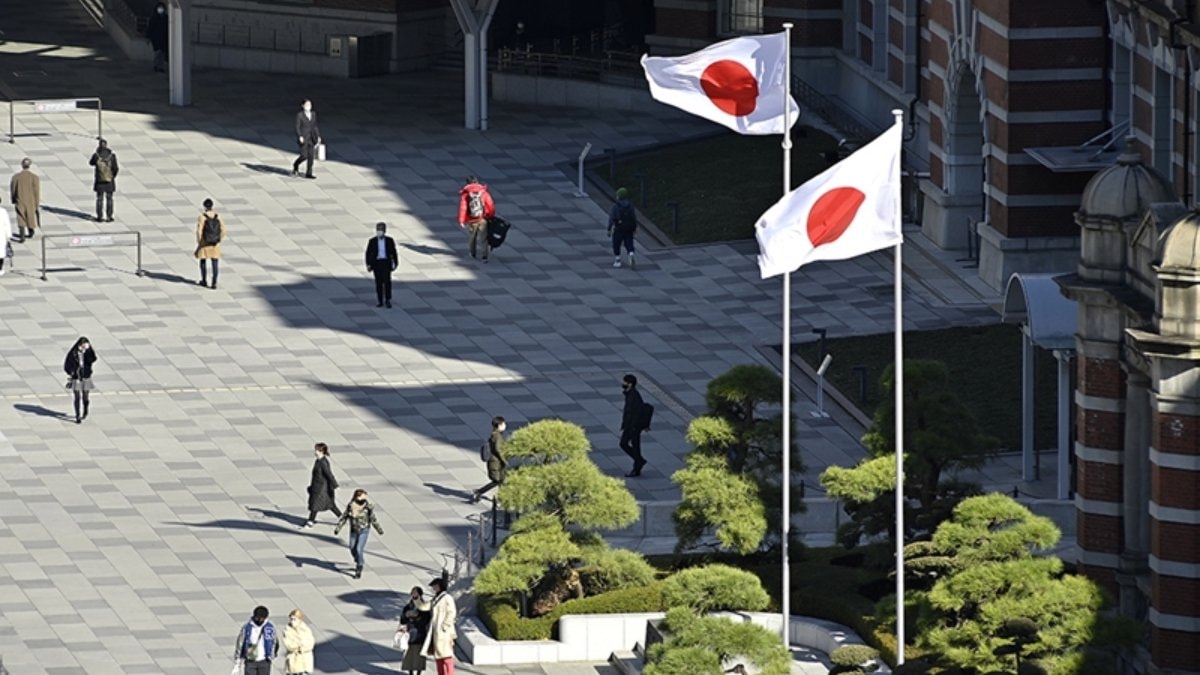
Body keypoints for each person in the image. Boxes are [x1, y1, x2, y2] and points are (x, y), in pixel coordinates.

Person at [334, 488, 383, 579]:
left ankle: (359, 567)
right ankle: (359, 559)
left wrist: (379, 529)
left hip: (364, 530)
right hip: (353, 530)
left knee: (359, 548)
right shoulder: (351, 506)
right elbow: (344, 517)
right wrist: (338, 528)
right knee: (352, 548)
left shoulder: (368, 507)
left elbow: (373, 518)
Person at [421, 577, 457, 675]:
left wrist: (444, 626)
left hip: (444, 633)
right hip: (436, 632)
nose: (433, 588)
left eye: (435, 586)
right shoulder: (435, 599)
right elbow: (424, 607)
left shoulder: (447, 598)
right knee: (439, 657)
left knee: (446, 657)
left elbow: (452, 613)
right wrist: (417, 599)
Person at [457, 176, 495, 262]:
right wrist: (490, 215)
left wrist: (461, 221)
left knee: (472, 237)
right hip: (482, 218)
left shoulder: (466, 194)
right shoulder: (483, 192)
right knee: (483, 238)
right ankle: (484, 256)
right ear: (477, 182)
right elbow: (490, 204)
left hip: (471, 220)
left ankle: (472, 253)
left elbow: (463, 208)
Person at [233, 606, 279, 675]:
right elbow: (240, 643)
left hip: (264, 660)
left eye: (262, 618)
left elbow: (274, 641)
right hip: (250, 659)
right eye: (258, 618)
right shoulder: (247, 627)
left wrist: (271, 655)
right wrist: (238, 659)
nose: (260, 620)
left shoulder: (269, 627)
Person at [471, 416, 507, 504]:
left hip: (496, 462)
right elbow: (497, 449)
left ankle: (502, 497)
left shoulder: (494, 434)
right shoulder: (497, 436)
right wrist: (504, 459)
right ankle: (479, 492)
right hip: (495, 462)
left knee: (501, 480)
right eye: (503, 424)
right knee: (497, 480)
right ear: (499, 425)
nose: (505, 425)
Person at [305, 442, 341, 527]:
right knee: (330, 505)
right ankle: (341, 517)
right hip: (317, 487)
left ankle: (310, 521)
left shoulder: (323, 462)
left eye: (316, 450)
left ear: (321, 451)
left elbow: (328, 474)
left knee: (315, 504)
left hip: (322, 488)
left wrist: (334, 484)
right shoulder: (318, 461)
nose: (315, 452)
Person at [398, 586, 432, 675]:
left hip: (420, 634)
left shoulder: (424, 607)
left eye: (415, 592)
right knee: (409, 655)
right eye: (412, 592)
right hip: (410, 634)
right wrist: (407, 615)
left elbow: (427, 620)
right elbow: (402, 620)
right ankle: (411, 672)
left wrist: (416, 618)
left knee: (419, 655)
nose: (413, 594)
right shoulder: (407, 607)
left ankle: (418, 673)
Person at [363, 221, 398, 308]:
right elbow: (368, 253)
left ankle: (388, 299)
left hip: (386, 263)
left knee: (387, 282)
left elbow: (394, 252)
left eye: (381, 230)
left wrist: (395, 263)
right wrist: (368, 264)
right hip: (377, 263)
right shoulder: (372, 241)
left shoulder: (389, 240)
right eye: (378, 230)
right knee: (378, 283)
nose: (379, 232)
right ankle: (380, 300)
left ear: (384, 231)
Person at [64, 337, 97, 424]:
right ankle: (77, 415)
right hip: (76, 377)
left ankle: (85, 409)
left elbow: (93, 359)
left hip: (86, 375)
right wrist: (71, 372)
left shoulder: (87, 352)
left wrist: (89, 350)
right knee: (77, 397)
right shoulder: (73, 353)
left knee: (85, 396)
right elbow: (67, 364)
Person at [620, 374, 647, 477]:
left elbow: (634, 413)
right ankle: (639, 462)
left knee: (631, 445)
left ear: (630, 384)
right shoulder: (629, 394)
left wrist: (631, 427)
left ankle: (638, 465)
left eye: (625, 382)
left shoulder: (634, 396)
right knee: (628, 445)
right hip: (630, 426)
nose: (623, 384)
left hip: (633, 427)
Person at [195, 198, 225, 289]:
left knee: (203, 260)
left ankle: (204, 280)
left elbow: (199, 231)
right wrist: (219, 239)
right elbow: (223, 230)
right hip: (215, 243)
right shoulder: (218, 216)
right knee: (215, 262)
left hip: (205, 242)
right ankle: (214, 282)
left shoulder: (202, 217)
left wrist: (200, 242)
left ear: (204, 207)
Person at [10, 157, 40, 241]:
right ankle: (31, 231)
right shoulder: (35, 177)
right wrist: (37, 204)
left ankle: (22, 235)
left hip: (20, 199)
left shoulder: (16, 177)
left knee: (21, 216)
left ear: (22, 165)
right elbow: (36, 192)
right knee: (30, 216)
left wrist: (13, 199)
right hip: (31, 201)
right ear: (29, 166)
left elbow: (13, 189)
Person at [88, 139, 118, 222]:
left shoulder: (96, 155)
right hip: (109, 180)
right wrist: (112, 176)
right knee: (109, 198)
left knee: (99, 199)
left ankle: (100, 217)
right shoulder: (112, 156)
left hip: (99, 180)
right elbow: (115, 168)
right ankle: (109, 216)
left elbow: (91, 163)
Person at [607, 187, 637, 269]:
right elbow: (633, 217)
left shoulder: (615, 206)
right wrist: (634, 228)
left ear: (619, 196)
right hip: (629, 228)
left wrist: (609, 229)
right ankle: (631, 253)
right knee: (629, 242)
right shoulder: (630, 205)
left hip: (619, 228)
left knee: (616, 243)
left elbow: (612, 218)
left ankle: (618, 260)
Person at [292, 100, 321, 179]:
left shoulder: (313, 114)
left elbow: (315, 126)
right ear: (303, 106)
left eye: (310, 104)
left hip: (311, 138)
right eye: (307, 104)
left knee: (311, 156)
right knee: (304, 156)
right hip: (304, 138)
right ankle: (296, 164)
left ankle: (309, 173)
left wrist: (318, 136)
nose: (309, 106)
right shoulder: (300, 115)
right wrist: (300, 136)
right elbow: (297, 127)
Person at [281, 609, 315, 675]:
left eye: (294, 619)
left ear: (300, 619)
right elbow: (288, 644)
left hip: (305, 662)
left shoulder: (306, 630)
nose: (292, 621)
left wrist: (300, 647)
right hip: (293, 661)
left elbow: (310, 644)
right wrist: (299, 645)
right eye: (291, 619)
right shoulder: (287, 630)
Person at [146, 3, 168, 73]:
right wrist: (149, 38)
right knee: (158, 52)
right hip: (156, 38)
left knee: (162, 53)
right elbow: (150, 28)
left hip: (164, 38)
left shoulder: (166, 17)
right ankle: (156, 65)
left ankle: (160, 66)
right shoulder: (154, 18)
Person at [0, 196, 11, 276]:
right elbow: (7, 224)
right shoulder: (3, 212)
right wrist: (8, 236)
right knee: (1, 253)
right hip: (1, 236)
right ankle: (0, 268)